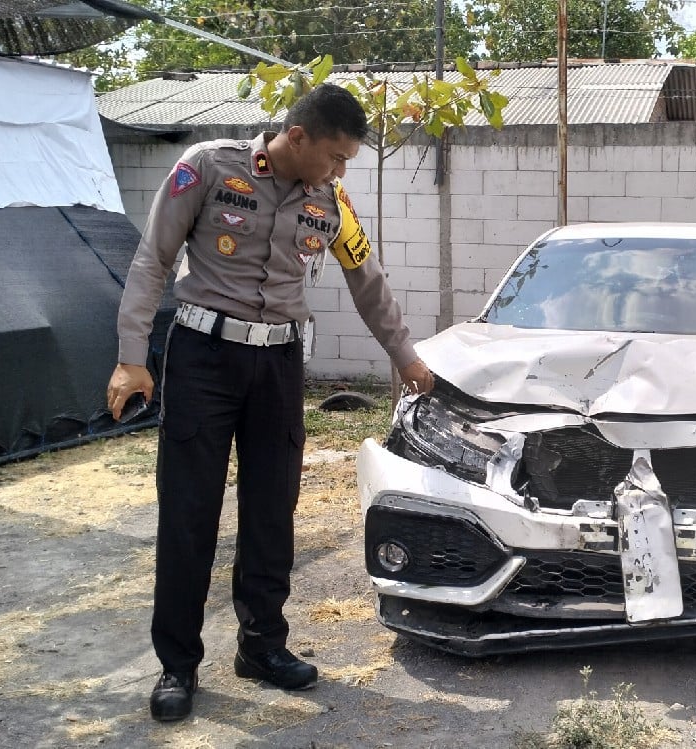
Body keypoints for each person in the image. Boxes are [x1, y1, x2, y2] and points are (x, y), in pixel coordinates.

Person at [106, 83, 434, 722]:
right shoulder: (207, 166)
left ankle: (262, 646)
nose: (341, 173)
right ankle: (178, 664)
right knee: (189, 512)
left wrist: (407, 358)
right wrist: (130, 355)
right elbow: (153, 259)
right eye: (336, 158)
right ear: (299, 137)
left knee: (270, 511)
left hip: (280, 364)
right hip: (203, 355)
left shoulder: (331, 202)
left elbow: (368, 284)